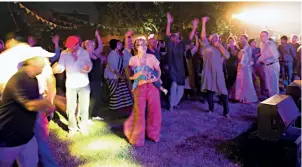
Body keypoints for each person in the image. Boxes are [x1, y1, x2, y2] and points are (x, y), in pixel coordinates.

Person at [0, 45, 56, 167]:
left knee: (31, 162)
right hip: (10, 137)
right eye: (43, 61)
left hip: (26, 135)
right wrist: (47, 103)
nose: (45, 65)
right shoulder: (18, 80)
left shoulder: (33, 79)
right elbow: (29, 105)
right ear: (32, 61)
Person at [124, 38, 162, 146]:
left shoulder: (152, 57)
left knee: (155, 112)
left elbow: (158, 70)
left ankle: (153, 135)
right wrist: (137, 74)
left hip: (152, 87)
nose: (144, 46)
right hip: (140, 87)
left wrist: (157, 78)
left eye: (144, 44)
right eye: (140, 44)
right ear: (136, 47)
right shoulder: (133, 59)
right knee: (139, 113)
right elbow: (131, 76)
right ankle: (138, 138)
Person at [53, 36, 93, 136]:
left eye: (72, 46)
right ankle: (72, 128)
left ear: (77, 44)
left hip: (84, 83)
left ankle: (83, 126)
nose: (70, 48)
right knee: (70, 107)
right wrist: (57, 69)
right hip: (70, 84)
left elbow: (89, 63)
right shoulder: (64, 53)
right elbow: (61, 67)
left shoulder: (83, 52)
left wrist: (87, 68)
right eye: (68, 46)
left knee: (84, 106)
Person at [165, 12, 199, 111]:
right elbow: (167, 33)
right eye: (174, 36)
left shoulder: (182, 44)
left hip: (181, 71)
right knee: (174, 85)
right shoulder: (170, 44)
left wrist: (195, 26)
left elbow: (190, 38)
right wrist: (169, 22)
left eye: (177, 36)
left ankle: (174, 103)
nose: (175, 37)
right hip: (173, 70)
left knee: (180, 90)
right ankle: (171, 105)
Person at [200, 16, 230, 118]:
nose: (215, 39)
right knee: (210, 91)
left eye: (216, 38)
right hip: (208, 72)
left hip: (218, 73)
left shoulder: (221, 47)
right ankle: (211, 109)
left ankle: (226, 112)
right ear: (210, 40)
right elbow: (203, 36)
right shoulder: (207, 46)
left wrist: (220, 46)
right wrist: (203, 23)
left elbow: (227, 56)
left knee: (223, 92)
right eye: (213, 38)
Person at [82, 29, 105, 121]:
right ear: (86, 46)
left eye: (93, 44)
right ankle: (87, 116)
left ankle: (95, 114)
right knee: (91, 98)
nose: (93, 45)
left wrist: (97, 35)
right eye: (91, 44)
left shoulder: (95, 54)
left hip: (97, 79)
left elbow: (101, 47)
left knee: (97, 98)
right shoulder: (85, 55)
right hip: (90, 80)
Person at [257, 31, 280, 97]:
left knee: (274, 85)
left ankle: (276, 100)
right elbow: (263, 54)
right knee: (269, 84)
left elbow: (276, 56)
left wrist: (265, 59)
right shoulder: (261, 44)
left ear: (267, 36)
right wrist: (259, 60)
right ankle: (271, 100)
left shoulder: (271, 44)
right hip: (266, 66)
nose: (261, 37)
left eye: (263, 36)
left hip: (273, 65)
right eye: (260, 36)